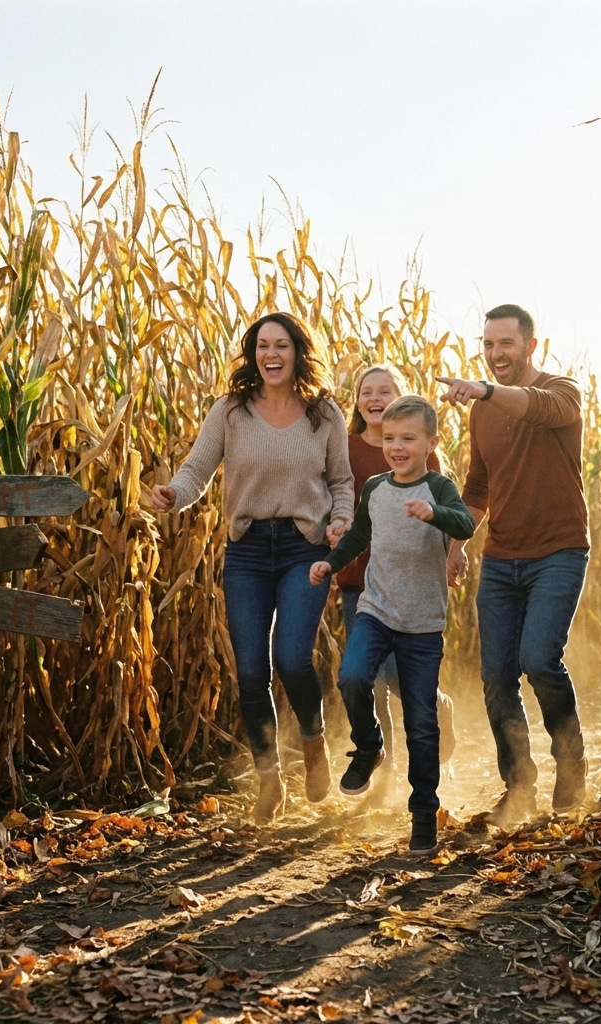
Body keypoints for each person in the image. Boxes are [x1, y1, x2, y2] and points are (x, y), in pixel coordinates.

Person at [150, 311, 354, 826]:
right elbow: (197, 469)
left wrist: (342, 520)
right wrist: (175, 495)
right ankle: (269, 780)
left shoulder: (323, 413)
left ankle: (313, 744)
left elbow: (342, 481)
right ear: (252, 353)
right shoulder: (232, 411)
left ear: (297, 352)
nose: (271, 355)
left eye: (281, 345)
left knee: (291, 657)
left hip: (303, 546)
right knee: (248, 670)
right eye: (262, 346)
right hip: (246, 549)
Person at [438, 303, 590, 827]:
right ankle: (518, 786)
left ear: (531, 345)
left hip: (559, 552)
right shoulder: (483, 411)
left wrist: (483, 390)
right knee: (498, 675)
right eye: (488, 344)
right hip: (502, 558)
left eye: (505, 343)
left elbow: (541, 409)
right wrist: (458, 540)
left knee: (540, 659)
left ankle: (572, 767)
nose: (495, 354)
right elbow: (479, 485)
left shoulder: (562, 391)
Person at [310, 395, 475, 854]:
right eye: (390, 439)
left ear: (430, 443)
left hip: (422, 622)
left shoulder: (439, 488)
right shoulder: (376, 489)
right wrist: (330, 564)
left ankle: (424, 812)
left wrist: (434, 514)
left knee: (422, 721)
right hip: (376, 608)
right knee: (353, 676)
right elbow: (360, 536)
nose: (397, 447)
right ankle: (369, 747)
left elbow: (465, 525)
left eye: (408, 439)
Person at [338, 365, 457, 798]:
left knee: (398, 677)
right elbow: (331, 493)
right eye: (365, 391)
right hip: (361, 579)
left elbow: (447, 509)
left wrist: (454, 554)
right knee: (367, 678)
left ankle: (437, 707)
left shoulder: (421, 453)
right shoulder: (346, 448)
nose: (374, 398)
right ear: (356, 401)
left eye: (384, 391)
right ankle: (382, 771)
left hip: (412, 583)